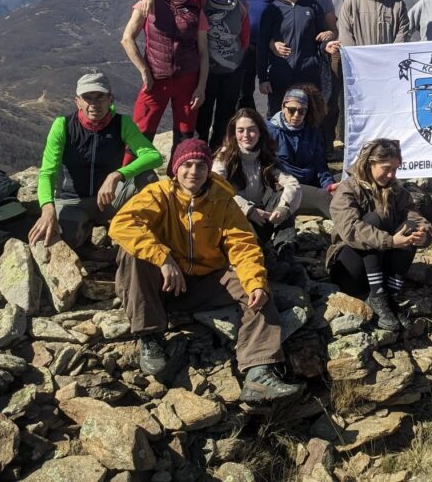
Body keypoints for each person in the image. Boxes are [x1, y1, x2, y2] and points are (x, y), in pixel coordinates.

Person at [108, 139, 303, 403]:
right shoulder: (158, 193)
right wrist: (163, 258)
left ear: (209, 169)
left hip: (205, 281)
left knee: (257, 290)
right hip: (160, 284)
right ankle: (149, 335)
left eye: (201, 165)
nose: (193, 172)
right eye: (187, 165)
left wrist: (255, 282)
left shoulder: (222, 202)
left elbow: (243, 245)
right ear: (175, 168)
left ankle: (259, 374)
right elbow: (122, 224)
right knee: (133, 253)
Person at [29, 72, 164, 249]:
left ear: (110, 99)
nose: (94, 104)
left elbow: (153, 156)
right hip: (73, 201)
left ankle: (139, 232)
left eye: (100, 97)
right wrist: (47, 208)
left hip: (110, 198)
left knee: (147, 178)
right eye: (87, 98)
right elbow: (48, 172)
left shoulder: (122, 123)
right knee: (58, 242)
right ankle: (87, 233)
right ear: (77, 101)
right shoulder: (63, 126)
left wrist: (117, 175)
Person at [327, 139, 432, 330]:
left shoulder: (396, 191)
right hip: (350, 271)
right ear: (370, 163)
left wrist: (424, 234)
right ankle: (377, 294)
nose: (391, 174)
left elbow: (414, 216)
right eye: (386, 168)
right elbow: (351, 229)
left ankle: (390, 295)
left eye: (395, 169)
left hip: (379, 268)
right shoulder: (348, 189)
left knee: (410, 226)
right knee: (372, 221)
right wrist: (391, 241)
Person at [120, 0, 209, 152]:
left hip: (188, 79)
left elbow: (203, 52)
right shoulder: (147, 3)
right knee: (141, 131)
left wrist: (201, 87)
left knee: (185, 134)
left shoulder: (196, 6)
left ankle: (178, 178)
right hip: (155, 78)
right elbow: (127, 38)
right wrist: (143, 69)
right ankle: (130, 179)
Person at [212, 108, 304, 283]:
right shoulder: (224, 157)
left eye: (252, 129)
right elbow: (217, 189)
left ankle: (286, 253)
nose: (246, 135)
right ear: (233, 133)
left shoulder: (265, 157)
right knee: (250, 248)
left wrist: (283, 208)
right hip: (232, 220)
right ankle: (269, 267)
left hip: (259, 217)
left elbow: (292, 184)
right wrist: (248, 209)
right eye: (240, 130)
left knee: (281, 198)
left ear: (260, 132)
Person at [257, 0, 329, 115]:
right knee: (279, 118)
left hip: (309, 75)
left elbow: (322, 37)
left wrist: (328, 40)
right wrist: (263, 78)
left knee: (311, 117)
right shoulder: (271, 10)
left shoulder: (312, 7)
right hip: (280, 76)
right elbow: (262, 45)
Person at [195, 0, 250, 149]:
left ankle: (217, 151)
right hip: (206, 69)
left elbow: (244, 36)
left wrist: (238, 59)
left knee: (226, 114)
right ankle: (200, 151)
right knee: (203, 113)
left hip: (232, 68)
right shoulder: (200, 0)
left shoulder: (240, 5)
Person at [317, 0, 365, 150]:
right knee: (333, 96)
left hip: (362, 48)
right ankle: (329, 142)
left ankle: (354, 140)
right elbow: (318, 7)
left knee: (358, 96)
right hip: (335, 47)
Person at [266, 86, 337, 217]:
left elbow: (320, 164)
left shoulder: (311, 130)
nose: (296, 115)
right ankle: (353, 231)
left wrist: (329, 184)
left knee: (345, 183)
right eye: (291, 110)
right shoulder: (269, 131)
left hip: (310, 181)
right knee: (324, 197)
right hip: (288, 188)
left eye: (302, 111)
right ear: (283, 107)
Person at [235, 0, 277, 111]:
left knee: (272, 88)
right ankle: (243, 130)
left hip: (269, 44)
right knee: (243, 91)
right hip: (241, 43)